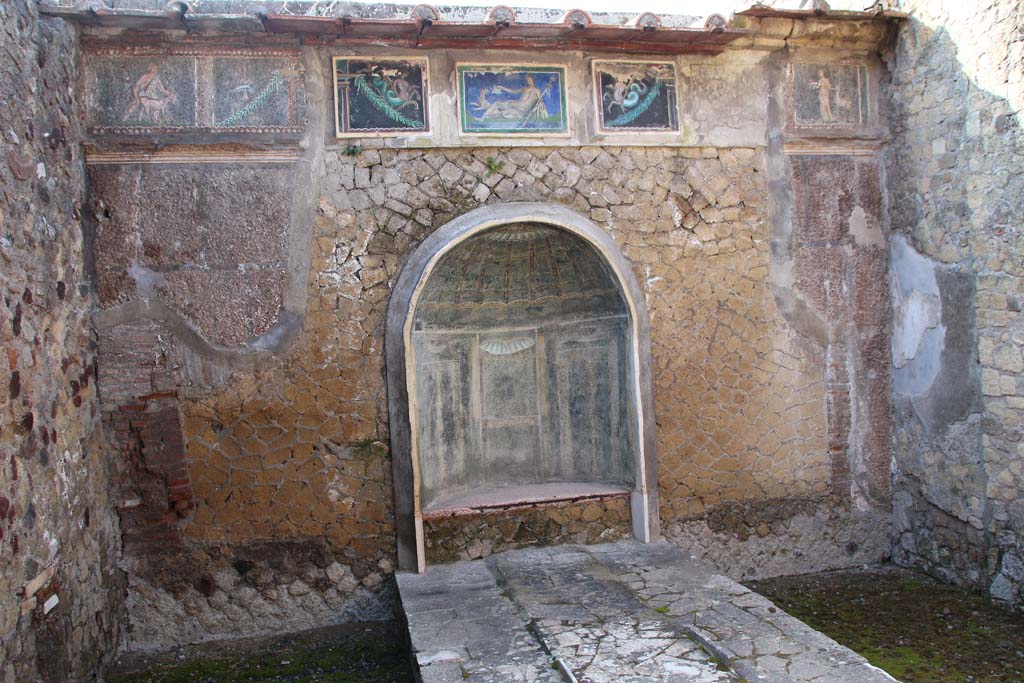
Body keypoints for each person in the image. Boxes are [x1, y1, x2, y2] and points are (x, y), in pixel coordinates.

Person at [480, 74, 549, 121]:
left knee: (502, 112)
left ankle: (485, 116)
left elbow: (540, 100)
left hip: (520, 109)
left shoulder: (537, 90)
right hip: (515, 104)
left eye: (529, 80)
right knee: (497, 104)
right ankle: (484, 116)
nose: (528, 81)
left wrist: (542, 105)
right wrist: (502, 87)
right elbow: (512, 91)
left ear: (533, 80)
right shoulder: (524, 88)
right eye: (527, 80)